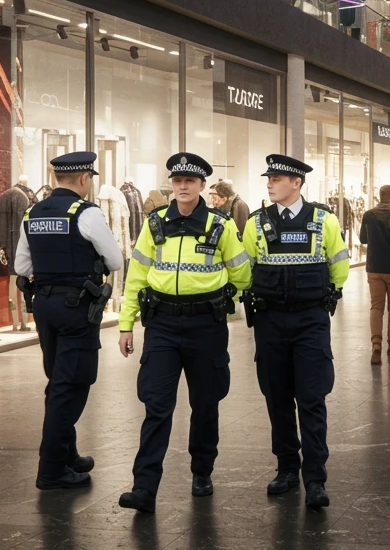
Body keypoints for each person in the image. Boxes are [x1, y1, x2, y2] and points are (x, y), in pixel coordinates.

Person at [117, 152, 251, 513]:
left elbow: (241, 273)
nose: (182, 187)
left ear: (203, 186)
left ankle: (202, 470)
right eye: (177, 181)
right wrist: (126, 324)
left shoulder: (221, 225)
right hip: (161, 324)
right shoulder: (155, 223)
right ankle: (144, 487)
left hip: (205, 326)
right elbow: (137, 277)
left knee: (205, 404)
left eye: (190, 182)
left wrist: (225, 302)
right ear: (172, 185)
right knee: (156, 405)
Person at [243, 154, 349, 509]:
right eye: (268, 178)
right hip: (270, 319)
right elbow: (247, 268)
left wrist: (325, 298)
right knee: (277, 396)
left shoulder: (323, 220)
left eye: (276, 178)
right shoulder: (257, 222)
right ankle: (287, 467)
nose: (270, 183)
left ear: (296, 183)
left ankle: (315, 478)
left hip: (310, 319)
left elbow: (339, 264)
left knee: (311, 397)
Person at [13, 151, 124, 490]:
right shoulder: (86, 213)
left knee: (59, 381)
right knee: (70, 385)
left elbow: (22, 266)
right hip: (77, 307)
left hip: (45, 306)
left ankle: (67, 454)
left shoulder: (32, 212)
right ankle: (51, 471)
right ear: (82, 179)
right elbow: (115, 260)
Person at [359, 185, 390, 364]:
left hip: (374, 268)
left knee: (376, 306)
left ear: (380, 196)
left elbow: (363, 239)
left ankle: (376, 345)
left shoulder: (369, 215)